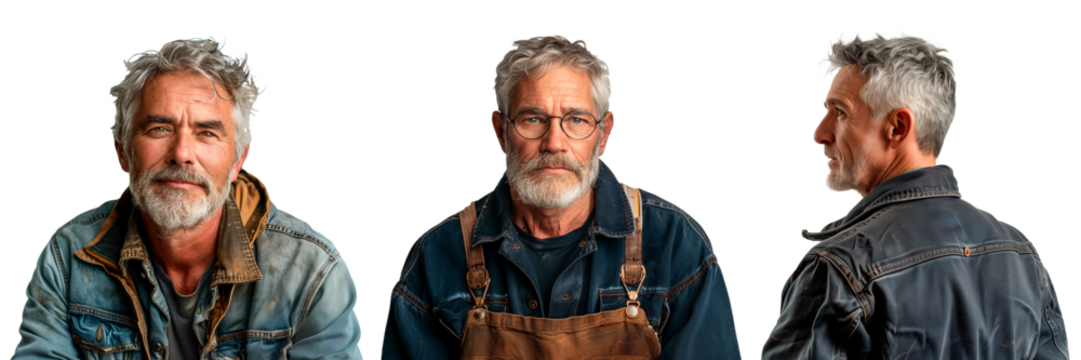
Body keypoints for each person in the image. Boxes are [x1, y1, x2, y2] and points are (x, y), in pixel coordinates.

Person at [379, 34, 742, 360]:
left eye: (576, 120)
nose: (554, 143)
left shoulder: (676, 245)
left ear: (604, 135)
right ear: (500, 131)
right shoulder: (437, 257)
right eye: (533, 119)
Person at [13, 36, 364, 359]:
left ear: (239, 160)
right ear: (121, 152)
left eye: (206, 132)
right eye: (159, 128)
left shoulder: (311, 272)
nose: (181, 153)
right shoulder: (69, 257)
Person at [760, 29, 1071, 359]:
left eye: (840, 112)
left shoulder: (842, 268)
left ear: (897, 128)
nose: (819, 133)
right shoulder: (1021, 253)